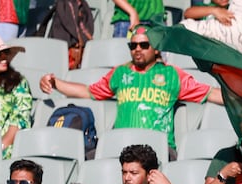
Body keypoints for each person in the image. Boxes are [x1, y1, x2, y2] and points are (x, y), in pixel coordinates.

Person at [39, 26, 223, 156]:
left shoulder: (172, 74)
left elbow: (211, 94)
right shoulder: (120, 73)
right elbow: (88, 92)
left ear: (157, 49)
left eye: (144, 45)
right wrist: (56, 83)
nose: (137, 49)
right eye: (133, 45)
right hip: (122, 146)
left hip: (159, 149)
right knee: (88, 159)